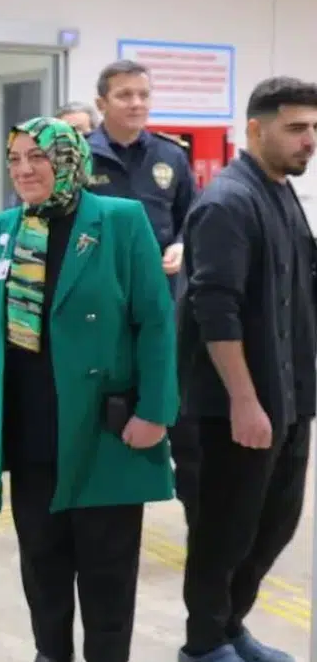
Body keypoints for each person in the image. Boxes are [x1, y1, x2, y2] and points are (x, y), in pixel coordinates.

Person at [0, 116, 177, 662]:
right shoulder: (3, 229)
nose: (24, 169)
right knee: (41, 552)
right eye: (15, 159)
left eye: (37, 157)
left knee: (108, 556)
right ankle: (51, 653)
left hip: (102, 422)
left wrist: (156, 410)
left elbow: (155, 320)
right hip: (30, 421)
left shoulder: (119, 220)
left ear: (69, 160)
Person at [177, 76, 317, 662]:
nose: (309, 140)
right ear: (256, 129)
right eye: (297, 128)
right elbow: (215, 308)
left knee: (274, 526)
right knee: (224, 532)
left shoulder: (282, 194)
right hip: (231, 409)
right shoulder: (228, 203)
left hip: (287, 400)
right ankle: (203, 643)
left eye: (314, 129)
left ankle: (230, 625)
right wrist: (243, 400)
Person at [85, 59, 201, 529]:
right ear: (102, 103)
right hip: (99, 311)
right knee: (104, 413)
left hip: (160, 309)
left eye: (143, 94)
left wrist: (181, 245)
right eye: (124, 95)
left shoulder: (170, 156)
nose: (136, 103)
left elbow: (194, 218)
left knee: (166, 406)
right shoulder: (81, 155)